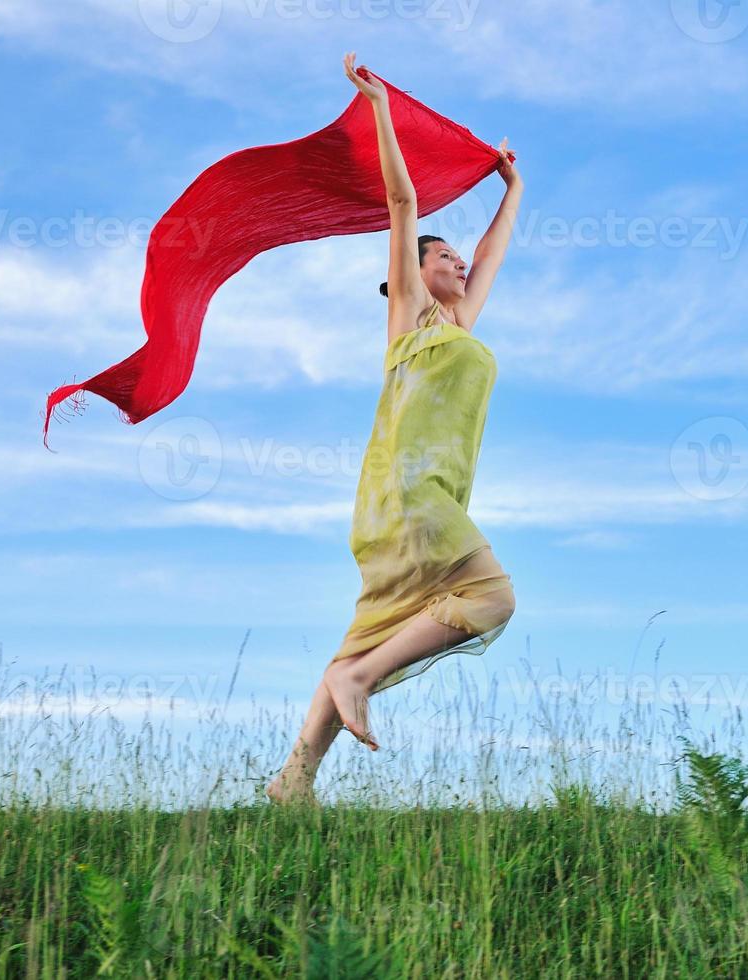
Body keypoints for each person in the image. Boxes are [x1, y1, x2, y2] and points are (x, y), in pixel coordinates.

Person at [266, 53, 523, 806]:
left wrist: (513, 188)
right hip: (411, 496)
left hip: (410, 498)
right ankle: (359, 681)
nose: (460, 262)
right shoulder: (409, 320)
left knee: (368, 631)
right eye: (445, 257)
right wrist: (379, 105)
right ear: (417, 273)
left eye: (458, 256)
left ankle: (294, 781)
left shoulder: (461, 323)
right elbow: (404, 204)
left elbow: (494, 252)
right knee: (492, 597)